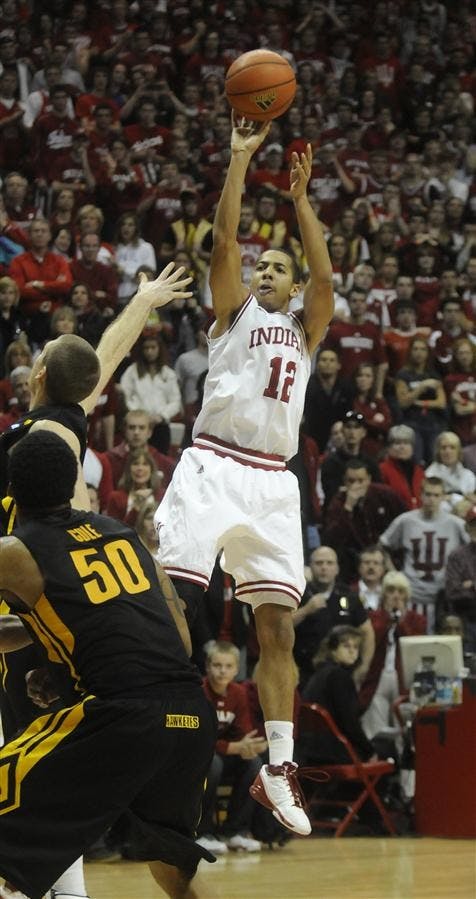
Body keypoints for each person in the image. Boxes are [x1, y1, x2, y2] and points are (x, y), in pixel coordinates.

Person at [155, 117, 334, 836]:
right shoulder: (232, 314)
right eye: (261, 266)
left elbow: (324, 276)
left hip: (272, 480)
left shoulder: (305, 326)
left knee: (278, 626)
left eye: (275, 268)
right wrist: (238, 162)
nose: (264, 270)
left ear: (289, 285)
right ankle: (146, 719)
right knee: (171, 599)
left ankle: (277, 765)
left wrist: (302, 204)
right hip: (213, 462)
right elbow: (224, 241)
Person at [0, 430, 217, 899]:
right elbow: (176, 630)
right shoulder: (121, 534)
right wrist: (61, 655)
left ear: (11, 490)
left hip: (123, 717)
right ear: (72, 481)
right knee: (174, 866)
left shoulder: (14, 552)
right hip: (190, 714)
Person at [197, 641, 266, 855]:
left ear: (237, 669)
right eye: (217, 665)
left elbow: (243, 731)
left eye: (228, 666)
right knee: (213, 764)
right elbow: (199, 738)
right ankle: (203, 833)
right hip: (198, 757)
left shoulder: (238, 693)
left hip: (223, 753)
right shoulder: (199, 691)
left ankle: (235, 832)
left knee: (254, 764)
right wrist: (232, 747)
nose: (222, 671)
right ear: (207, 667)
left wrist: (249, 746)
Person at [379, 476, 469, 632]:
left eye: (436, 495)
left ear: (443, 497)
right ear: (420, 495)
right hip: (411, 595)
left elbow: (471, 550)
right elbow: (382, 546)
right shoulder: (405, 521)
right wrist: (394, 573)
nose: (431, 500)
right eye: (427, 494)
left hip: (444, 598)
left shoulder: (456, 524)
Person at [293, 545, 375, 691]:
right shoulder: (298, 594)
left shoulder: (349, 596)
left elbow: (367, 632)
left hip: (343, 674)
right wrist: (306, 610)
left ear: (337, 568)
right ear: (309, 567)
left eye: (329, 563)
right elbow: (282, 627)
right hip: (305, 674)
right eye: (319, 563)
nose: (324, 567)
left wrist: (364, 666)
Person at [359, 571, 426, 740]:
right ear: (383, 594)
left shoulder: (417, 619)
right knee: (375, 726)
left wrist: (401, 621)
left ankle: (403, 762)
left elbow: (413, 646)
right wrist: (387, 618)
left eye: (400, 591)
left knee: (403, 728)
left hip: (403, 679)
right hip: (377, 678)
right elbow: (372, 639)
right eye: (391, 590)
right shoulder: (374, 617)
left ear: (407, 595)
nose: (396, 595)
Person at [298, 626, 377, 765]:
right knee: (386, 749)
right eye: (346, 646)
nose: (353, 651)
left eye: (356, 647)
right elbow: (350, 723)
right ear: (333, 649)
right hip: (336, 751)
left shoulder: (319, 674)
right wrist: (369, 751)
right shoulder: (339, 677)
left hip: (311, 750)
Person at [323, 458, 407, 583]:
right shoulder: (339, 502)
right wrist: (348, 507)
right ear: (344, 482)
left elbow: (405, 521)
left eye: (361, 480)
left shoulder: (385, 495)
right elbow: (331, 539)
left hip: (387, 559)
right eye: (351, 481)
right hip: (353, 565)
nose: (356, 485)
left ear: (369, 479)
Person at [444, 504, 476, 653]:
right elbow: (453, 593)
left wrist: (470, 585)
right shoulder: (457, 556)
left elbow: (460, 589)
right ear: (467, 528)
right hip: (466, 621)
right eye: (474, 525)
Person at [379, 424, 425, 510]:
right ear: (389, 447)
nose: (402, 447)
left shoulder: (419, 470)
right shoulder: (383, 469)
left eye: (406, 443)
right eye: (397, 443)